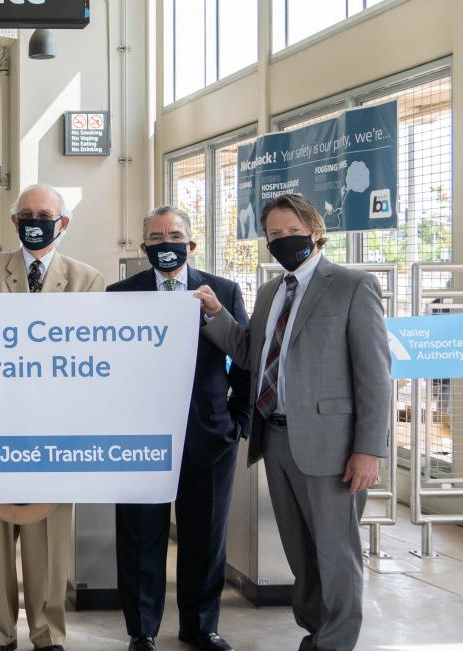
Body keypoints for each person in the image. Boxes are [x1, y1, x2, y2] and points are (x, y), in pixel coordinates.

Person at [194, 193, 390, 651]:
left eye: (293, 231)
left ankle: (335, 642)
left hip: (333, 447)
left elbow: (375, 375)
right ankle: (315, 631)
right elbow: (249, 352)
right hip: (277, 440)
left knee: (336, 554)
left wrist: (369, 449)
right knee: (301, 552)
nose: (284, 240)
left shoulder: (351, 285)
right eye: (275, 234)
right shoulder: (270, 292)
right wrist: (216, 315)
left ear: (316, 230)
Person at [0, 184, 104, 651]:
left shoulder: (88, 280)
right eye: (26, 213)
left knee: (51, 538)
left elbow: (94, 358)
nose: (35, 220)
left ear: (62, 223)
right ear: (13, 221)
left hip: (55, 429)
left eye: (45, 213)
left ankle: (49, 635)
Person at [107, 207, 251, 651]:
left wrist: (238, 422)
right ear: (144, 246)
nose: (165, 242)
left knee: (205, 535)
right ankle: (142, 630)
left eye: (174, 235)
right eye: (155, 236)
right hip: (140, 435)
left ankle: (201, 625)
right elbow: (107, 367)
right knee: (140, 535)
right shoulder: (120, 294)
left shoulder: (222, 290)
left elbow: (245, 358)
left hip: (209, 433)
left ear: (191, 245)